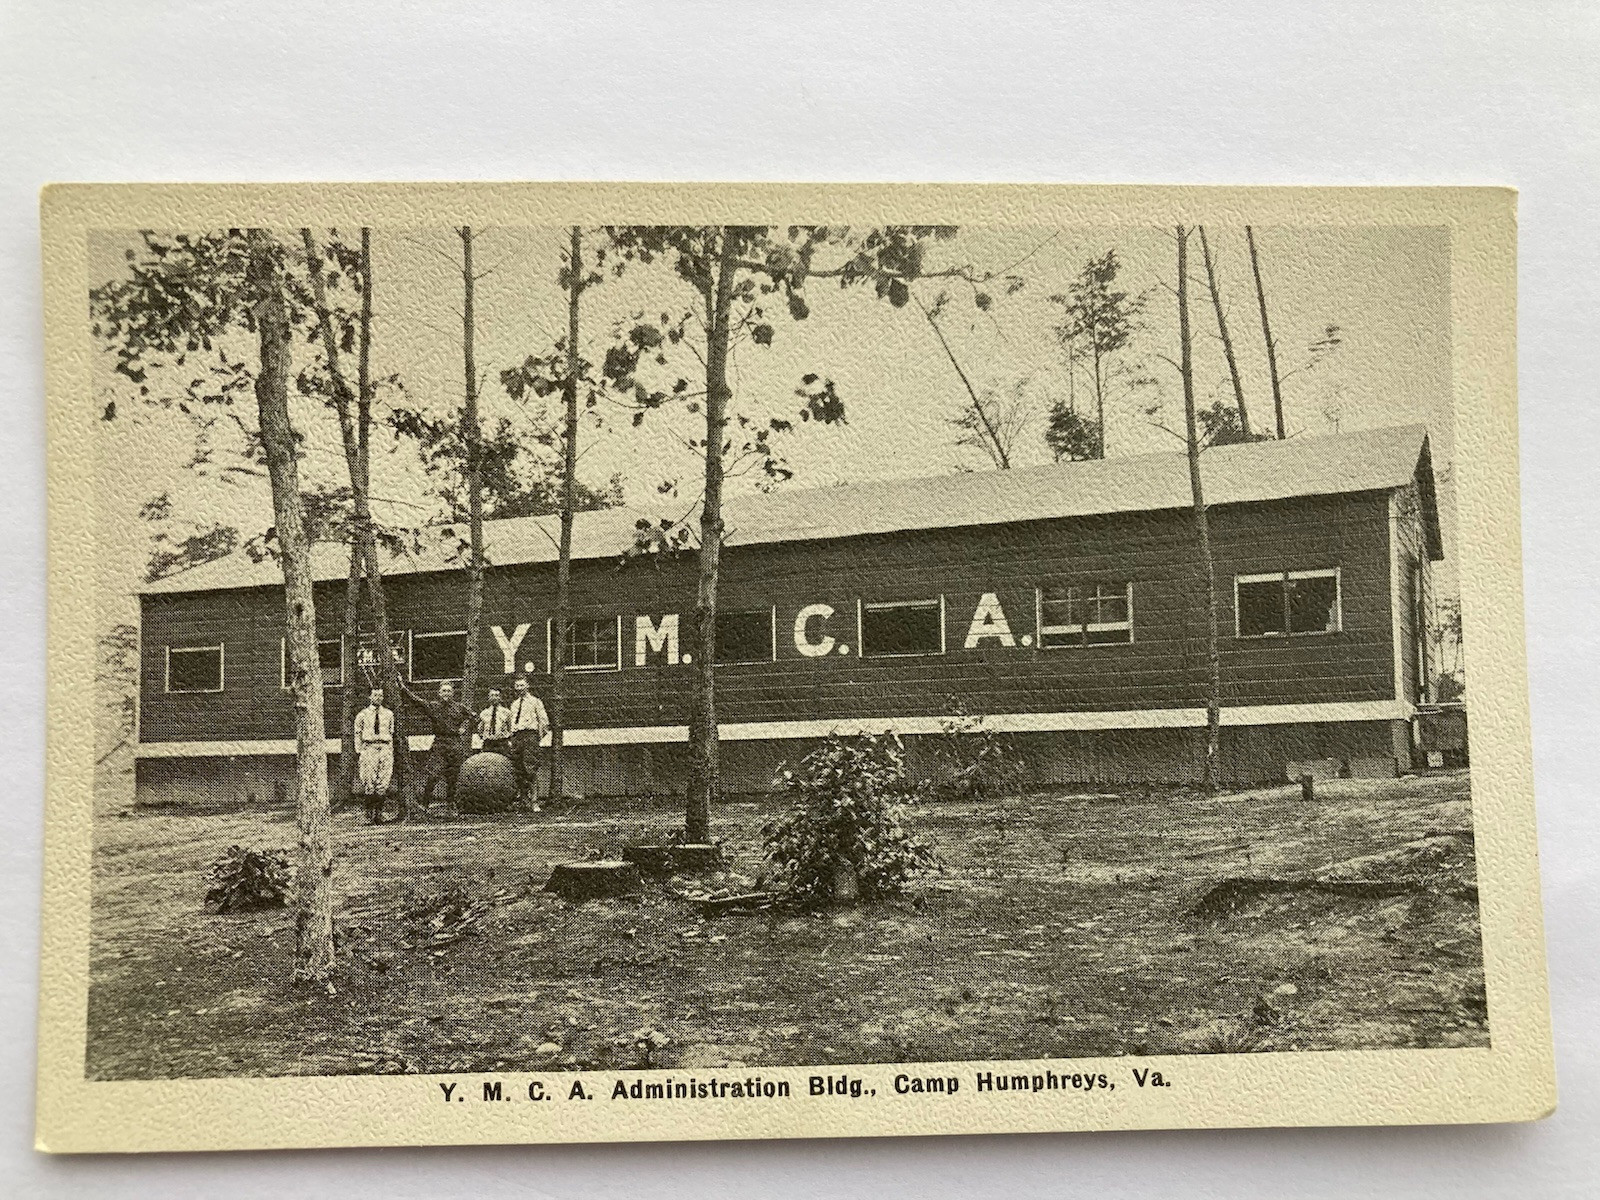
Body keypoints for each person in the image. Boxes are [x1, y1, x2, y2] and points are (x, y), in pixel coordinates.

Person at [398, 678, 475, 814]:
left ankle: (450, 805)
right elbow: (417, 702)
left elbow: (473, 717)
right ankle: (425, 804)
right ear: (439, 693)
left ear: (453, 693)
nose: (446, 693)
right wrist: (403, 688)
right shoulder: (434, 706)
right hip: (440, 743)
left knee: (453, 776)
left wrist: (464, 727)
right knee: (433, 774)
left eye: (449, 691)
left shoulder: (459, 707)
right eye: (443, 691)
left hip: (455, 743)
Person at [352, 686, 395, 824]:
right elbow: (357, 734)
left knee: (383, 781)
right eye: (375, 695)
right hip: (369, 747)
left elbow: (391, 732)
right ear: (370, 697)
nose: (378, 698)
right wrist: (360, 751)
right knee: (369, 781)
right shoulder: (362, 715)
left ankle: (379, 814)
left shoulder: (388, 714)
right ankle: (369, 814)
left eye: (380, 695)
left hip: (384, 747)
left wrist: (389, 750)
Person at [507, 675, 550, 805]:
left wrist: (536, 738)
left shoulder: (535, 702)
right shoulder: (514, 704)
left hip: (530, 736)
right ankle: (523, 800)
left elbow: (544, 722)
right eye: (517, 686)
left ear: (527, 686)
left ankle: (534, 800)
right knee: (518, 768)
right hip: (517, 737)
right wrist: (512, 738)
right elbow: (511, 723)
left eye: (522, 685)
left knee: (530, 768)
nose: (520, 688)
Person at [477, 686, 513, 758]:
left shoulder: (506, 712)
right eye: (492, 695)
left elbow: (510, 728)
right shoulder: (484, 713)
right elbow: (480, 730)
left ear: (500, 698)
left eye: (497, 695)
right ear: (489, 698)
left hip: (502, 743)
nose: (494, 698)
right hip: (488, 744)